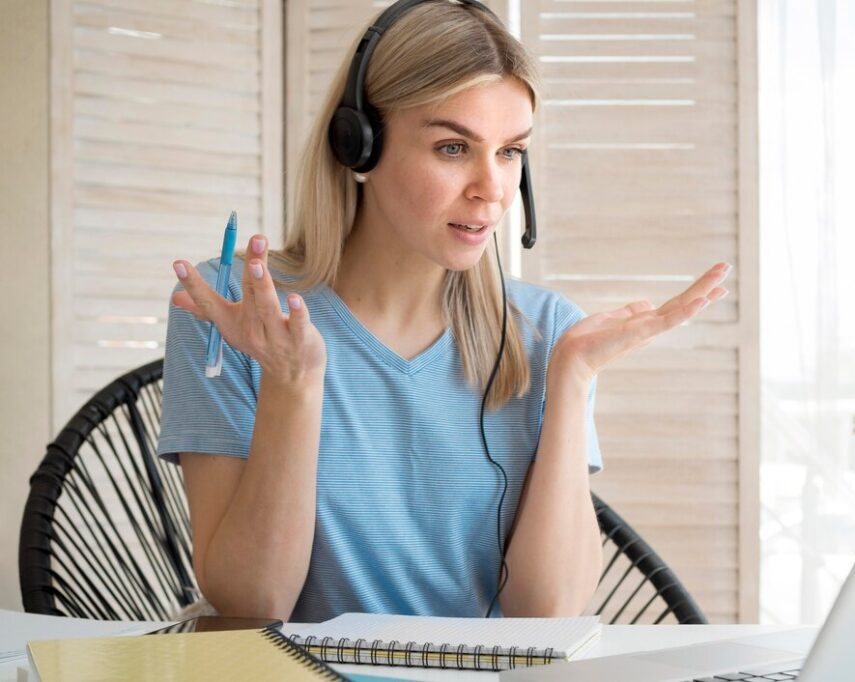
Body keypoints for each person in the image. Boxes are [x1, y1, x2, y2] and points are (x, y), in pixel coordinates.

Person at [158, 0, 730, 623]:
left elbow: (549, 613)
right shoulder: (237, 308)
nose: (492, 187)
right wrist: (293, 385)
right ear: (359, 148)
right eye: (454, 147)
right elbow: (252, 603)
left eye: (510, 151)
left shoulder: (548, 333)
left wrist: (571, 379)